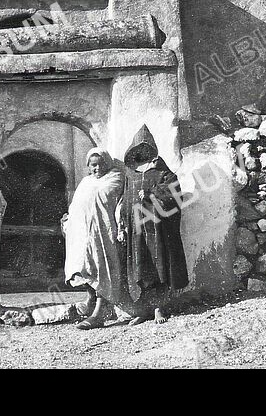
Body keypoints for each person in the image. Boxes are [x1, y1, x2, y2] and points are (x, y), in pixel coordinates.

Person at [118, 125, 189, 325]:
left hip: (158, 230)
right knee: (141, 268)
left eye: (146, 149)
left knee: (159, 267)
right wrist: (123, 223)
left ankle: (159, 307)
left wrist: (152, 195)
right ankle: (146, 310)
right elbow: (125, 201)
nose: (143, 154)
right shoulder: (131, 175)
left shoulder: (164, 173)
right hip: (137, 231)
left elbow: (175, 197)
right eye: (139, 150)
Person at [61, 147, 127, 330]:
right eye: (93, 165)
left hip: (103, 231)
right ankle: (91, 300)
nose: (97, 168)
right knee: (84, 266)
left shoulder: (116, 178)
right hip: (82, 233)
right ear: (88, 166)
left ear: (107, 162)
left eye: (100, 164)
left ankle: (99, 313)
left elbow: (114, 202)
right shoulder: (86, 181)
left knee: (101, 268)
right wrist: (68, 220)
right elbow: (76, 204)